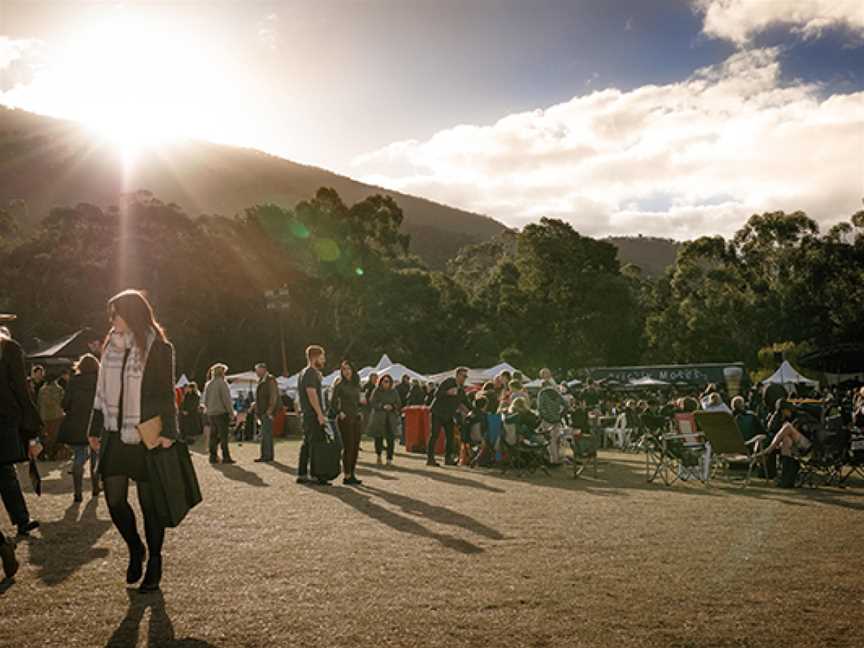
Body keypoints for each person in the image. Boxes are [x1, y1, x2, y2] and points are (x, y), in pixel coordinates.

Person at [87, 290, 179, 592]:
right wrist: (94, 427)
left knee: (150, 503)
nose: (113, 320)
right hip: (114, 431)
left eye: (117, 313)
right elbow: (100, 393)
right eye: (110, 314)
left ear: (133, 313)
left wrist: (169, 432)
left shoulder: (160, 348)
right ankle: (135, 547)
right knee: (114, 500)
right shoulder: (110, 347)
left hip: (146, 431)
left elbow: (167, 394)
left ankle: (154, 560)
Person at [0, 317, 43, 539]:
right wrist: (32, 426)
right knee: (5, 472)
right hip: (4, 416)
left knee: (5, 472)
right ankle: (21, 519)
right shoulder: (9, 347)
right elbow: (20, 387)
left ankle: (21, 520)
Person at [58, 354, 101, 502]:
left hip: (76, 424)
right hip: (96, 423)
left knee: (79, 456)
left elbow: (65, 403)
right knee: (96, 456)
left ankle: (78, 492)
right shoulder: (100, 381)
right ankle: (95, 487)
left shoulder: (74, 381)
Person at [297, 346, 328, 485]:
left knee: (307, 444)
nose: (324, 360)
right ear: (315, 357)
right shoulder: (310, 373)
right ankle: (316, 475)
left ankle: (302, 473)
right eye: (322, 357)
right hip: (312, 414)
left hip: (307, 414)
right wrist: (319, 414)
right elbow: (311, 394)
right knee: (315, 444)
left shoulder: (303, 373)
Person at [329, 361, 362, 485]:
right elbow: (332, 402)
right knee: (348, 446)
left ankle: (352, 473)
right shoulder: (339, 385)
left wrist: (360, 410)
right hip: (345, 418)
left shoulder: (356, 385)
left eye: (348, 369)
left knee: (355, 447)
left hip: (356, 417)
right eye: (344, 369)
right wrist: (339, 412)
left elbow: (359, 401)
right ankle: (347, 475)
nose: (346, 371)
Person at [428, 367, 469, 467]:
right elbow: (436, 394)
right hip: (438, 413)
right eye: (464, 376)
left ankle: (448, 459)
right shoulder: (449, 382)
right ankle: (430, 459)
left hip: (448, 415)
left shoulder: (461, 390)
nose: (465, 378)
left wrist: (474, 410)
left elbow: (466, 403)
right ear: (458, 375)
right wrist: (447, 392)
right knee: (434, 435)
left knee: (450, 437)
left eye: (466, 376)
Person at [202, 365, 235, 464]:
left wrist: (209, 409)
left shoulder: (208, 384)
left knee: (213, 436)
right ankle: (226, 457)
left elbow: (205, 400)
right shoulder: (222, 383)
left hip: (211, 413)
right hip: (221, 413)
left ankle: (213, 457)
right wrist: (231, 412)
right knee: (223, 436)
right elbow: (226, 400)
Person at [368, 374, 402, 467]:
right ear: (381, 382)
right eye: (384, 381)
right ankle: (378, 456)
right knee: (378, 438)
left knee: (390, 439)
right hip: (379, 418)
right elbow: (372, 402)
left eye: (388, 381)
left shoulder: (394, 391)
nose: (386, 383)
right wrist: (382, 406)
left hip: (390, 418)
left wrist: (392, 407)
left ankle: (389, 459)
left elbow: (398, 403)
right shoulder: (377, 391)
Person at [537, 370, 568, 465]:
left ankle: (552, 460)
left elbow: (540, 408)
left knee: (550, 441)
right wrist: (560, 415)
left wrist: (543, 417)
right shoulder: (556, 393)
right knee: (557, 439)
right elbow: (566, 405)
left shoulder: (541, 394)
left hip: (547, 420)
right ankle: (557, 458)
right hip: (556, 419)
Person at [253, 363, 279, 463]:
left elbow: (273, 396)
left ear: (263, 370)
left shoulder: (270, 380)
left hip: (267, 411)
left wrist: (270, 410)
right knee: (264, 434)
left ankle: (267, 456)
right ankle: (265, 455)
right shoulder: (261, 380)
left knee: (266, 434)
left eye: (258, 371)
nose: (257, 373)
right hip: (262, 411)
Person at [37, 373, 66, 461]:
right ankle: (52, 454)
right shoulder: (59, 389)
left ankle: (43, 453)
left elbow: (38, 403)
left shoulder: (42, 390)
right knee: (54, 436)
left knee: (45, 435)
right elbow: (63, 402)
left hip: (44, 416)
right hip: (56, 416)